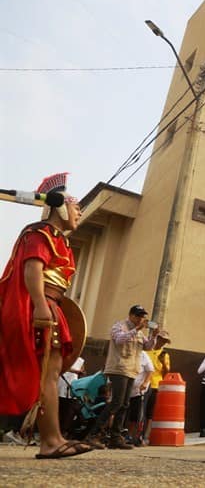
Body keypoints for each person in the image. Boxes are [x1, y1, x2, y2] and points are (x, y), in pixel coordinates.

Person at [0, 173, 93, 458]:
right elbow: (32, 271)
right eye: (77, 208)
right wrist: (40, 306)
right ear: (61, 207)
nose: (79, 213)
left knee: (49, 375)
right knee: (47, 376)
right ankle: (51, 441)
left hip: (53, 305)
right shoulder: (39, 234)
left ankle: (54, 438)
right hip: (39, 306)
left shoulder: (60, 241)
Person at [87, 304, 157, 449]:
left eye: (142, 316)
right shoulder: (119, 326)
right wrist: (136, 329)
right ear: (131, 315)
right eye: (138, 316)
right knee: (116, 403)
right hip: (118, 369)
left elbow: (148, 347)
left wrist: (153, 336)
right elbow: (119, 340)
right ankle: (93, 435)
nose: (140, 319)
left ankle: (115, 438)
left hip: (131, 370)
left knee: (124, 404)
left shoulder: (139, 333)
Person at [143, 330, 170, 443]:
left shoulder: (165, 355)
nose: (162, 342)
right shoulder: (146, 350)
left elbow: (166, 372)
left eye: (164, 341)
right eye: (161, 339)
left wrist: (163, 363)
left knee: (149, 412)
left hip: (156, 385)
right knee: (140, 411)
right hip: (143, 384)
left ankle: (145, 436)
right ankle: (135, 434)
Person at [126, 350, 154, 446]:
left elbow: (150, 370)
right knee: (126, 413)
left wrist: (145, 383)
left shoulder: (142, 354)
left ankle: (136, 436)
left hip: (141, 390)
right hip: (128, 390)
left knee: (138, 414)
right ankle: (127, 436)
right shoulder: (123, 354)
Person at [57, 357, 85, 439]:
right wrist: (75, 371)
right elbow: (62, 367)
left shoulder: (81, 360)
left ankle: (64, 432)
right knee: (59, 410)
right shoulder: (65, 356)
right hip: (61, 385)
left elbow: (82, 372)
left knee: (69, 412)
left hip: (72, 388)